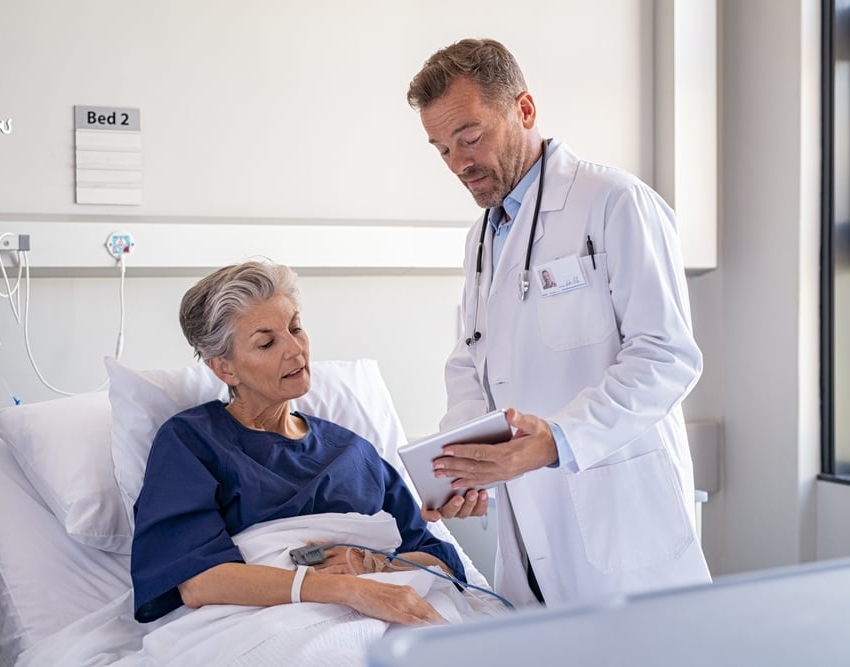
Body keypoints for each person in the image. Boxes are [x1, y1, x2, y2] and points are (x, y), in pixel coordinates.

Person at [406, 38, 711, 608]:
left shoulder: (616, 203)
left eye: (470, 138)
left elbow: (665, 356)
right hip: (529, 532)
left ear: (523, 110)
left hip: (620, 518)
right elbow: (473, 362)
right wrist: (469, 467)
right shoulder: (482, 238)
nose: (459, 164)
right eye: (442, 149)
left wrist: (560, 440)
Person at [130, 260, 466, 624]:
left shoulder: (355, 452)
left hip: (392, 606)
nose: (295, 350)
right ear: (225, 368)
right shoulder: (192, 441)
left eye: (296, 328)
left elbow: (439, 560)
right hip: (271, 619)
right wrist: (348, 589)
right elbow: (196, 581)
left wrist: (374, 564)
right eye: (267, 342)